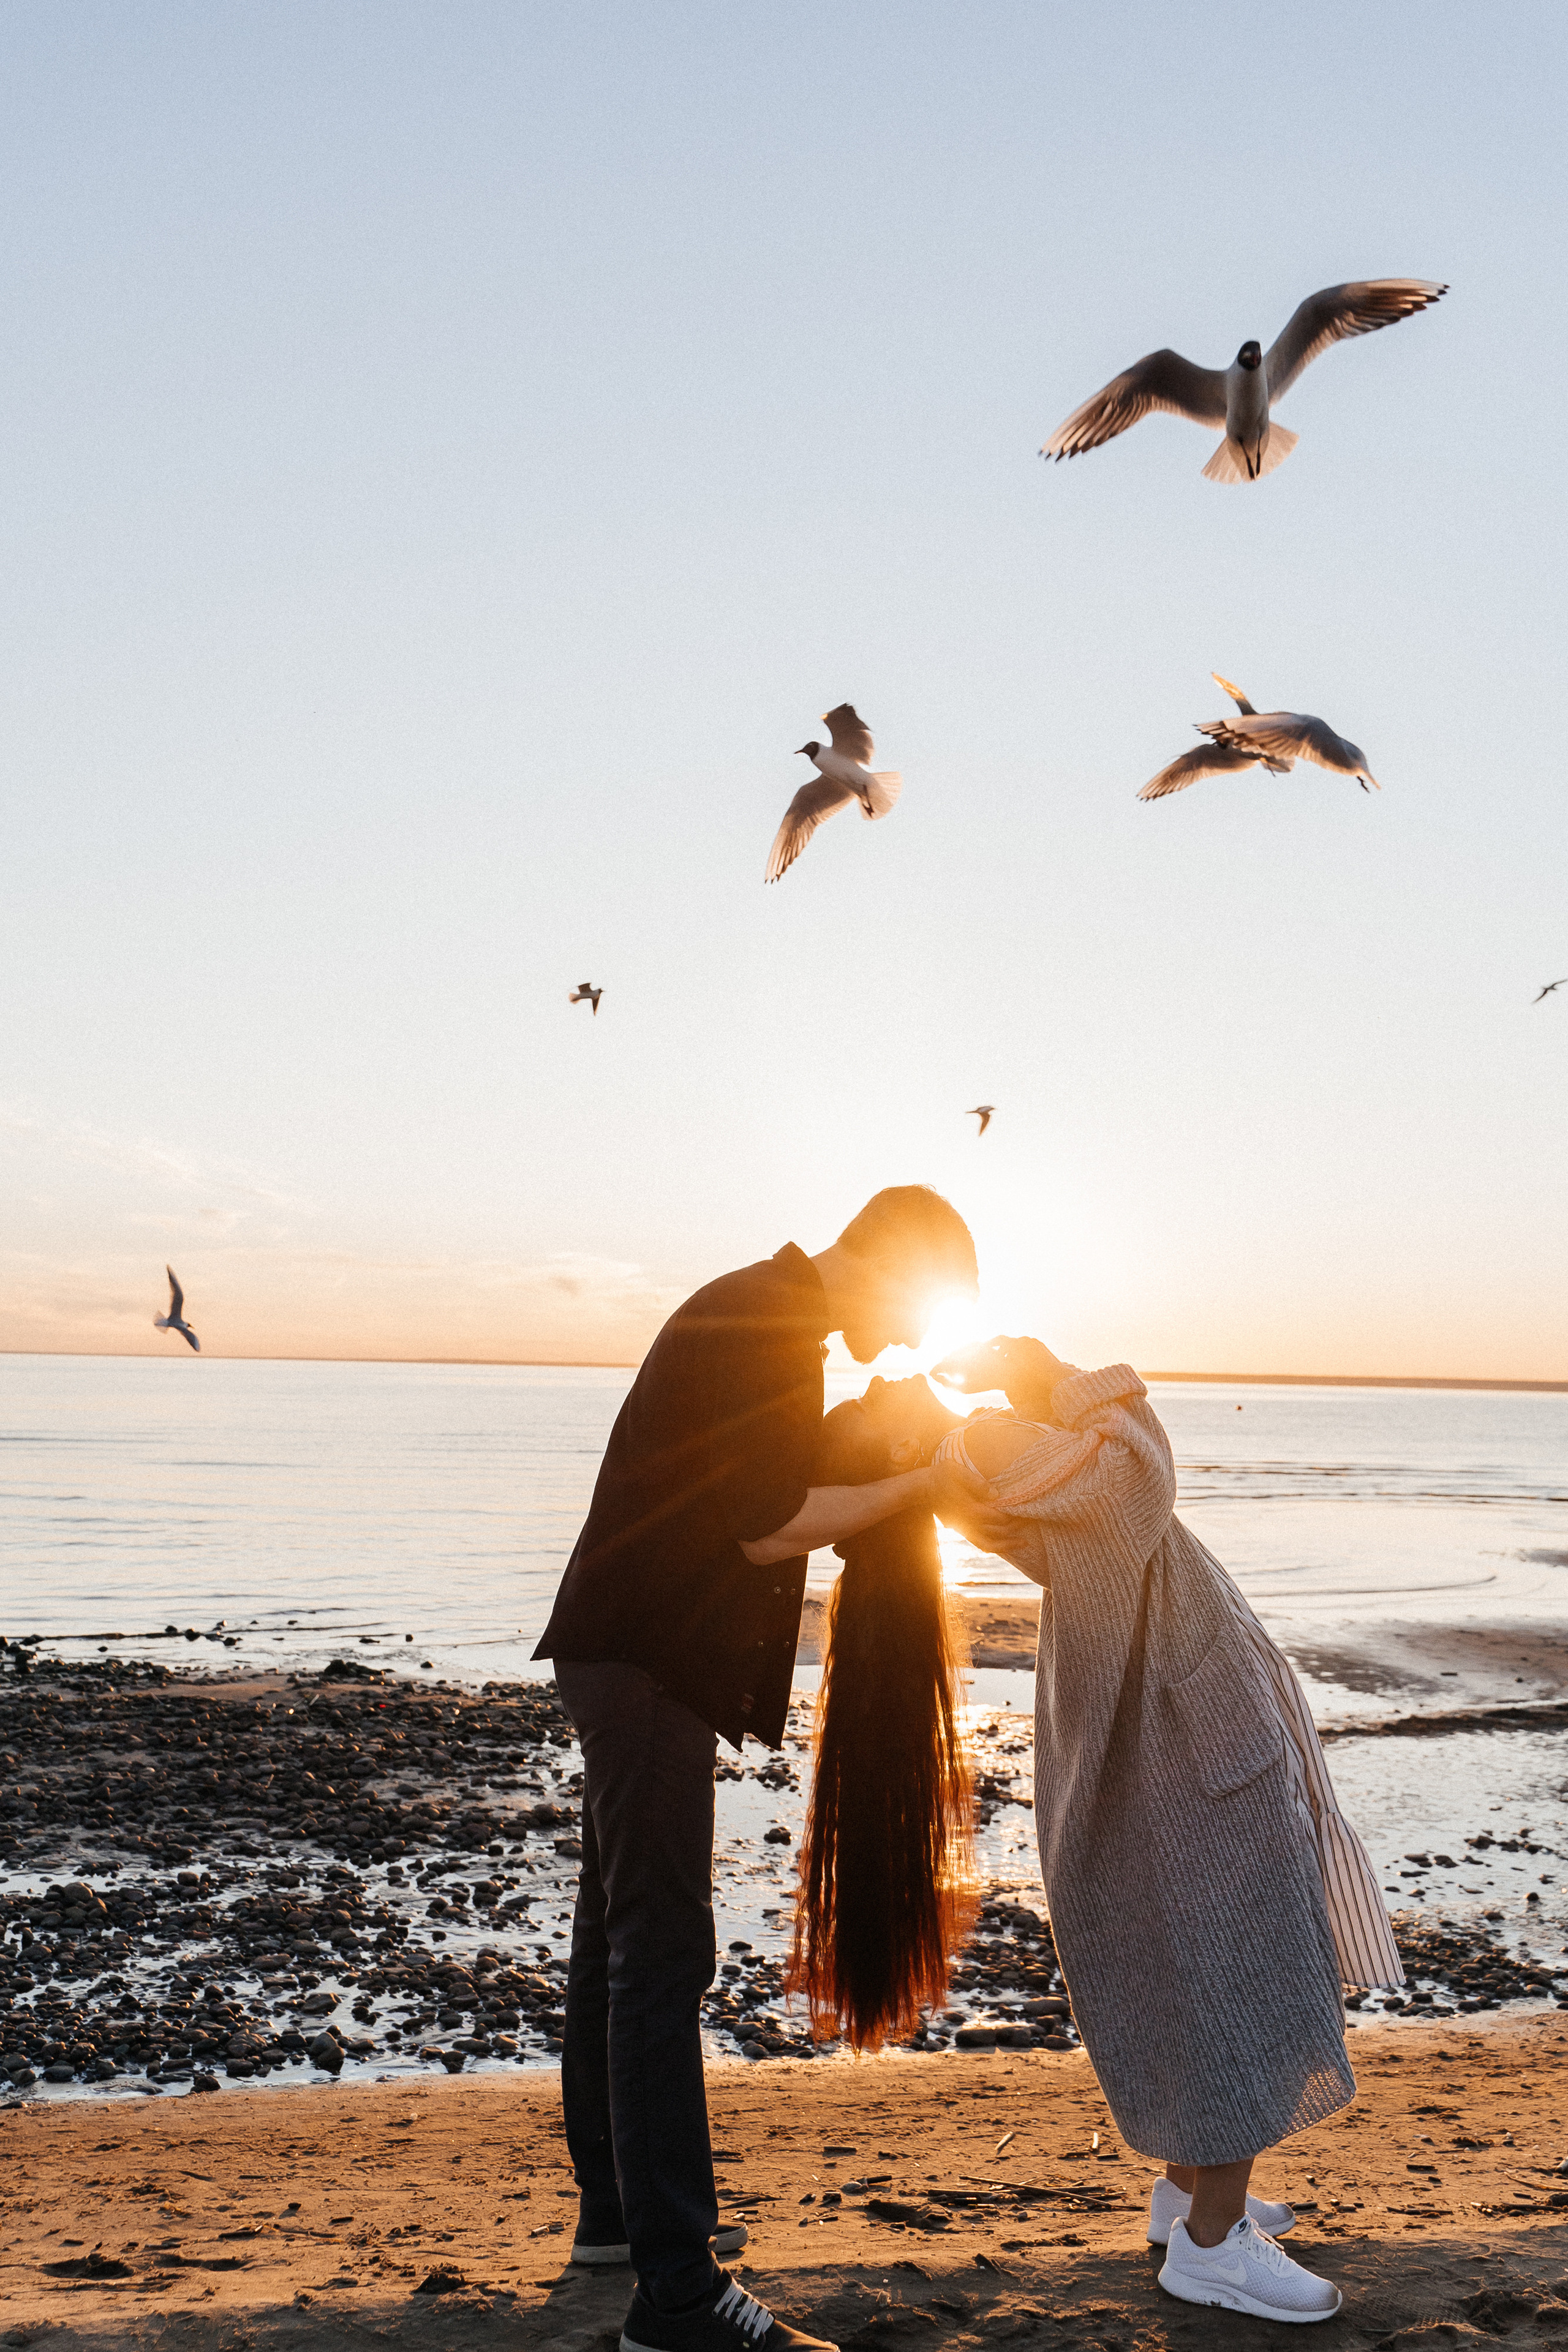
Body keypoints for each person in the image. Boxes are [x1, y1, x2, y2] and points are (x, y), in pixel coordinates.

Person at [533, 1189, 1008, 2352]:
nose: (908, 1342)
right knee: (661, 1954)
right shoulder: (768, 1329)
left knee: (613, 1939)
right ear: (888, 1267)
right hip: (646, 1665)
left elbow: (757, 1496)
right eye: (920, 1312)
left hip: (628, 1655)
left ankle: (617, 2217)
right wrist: (921, 1486)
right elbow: (767, 1522)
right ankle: (678, 2296)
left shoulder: (765, 1317)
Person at [929, 1336, 1404, 2329]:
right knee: (1241, 1984)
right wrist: (1042, 1365)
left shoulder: (1000, 1463)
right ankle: (1212, 2248)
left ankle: (1190, 2195)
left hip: (1189, 1752)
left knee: (1208, 1977)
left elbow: (1120, 1474)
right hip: (1194, 1767)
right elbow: (1139, 1469)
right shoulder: (992, 1448)